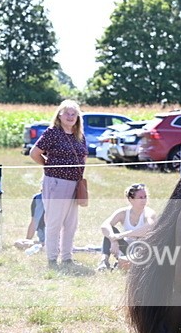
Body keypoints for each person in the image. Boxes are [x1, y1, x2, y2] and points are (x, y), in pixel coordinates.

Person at [30, 99, 87, 269]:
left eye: (74, 113)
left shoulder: (80, 136)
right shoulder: (52, 133)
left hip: (75, 184)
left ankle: (67, 257)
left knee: (71, 223)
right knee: (54, 221)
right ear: (59, 115)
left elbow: (84, 155)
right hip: (56, 182)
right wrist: (49, 166)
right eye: (67, 113)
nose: (70, 116)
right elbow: (34, 153)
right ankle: (52, 258)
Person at [97, 183, 157, 271]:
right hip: (126, 248)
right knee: (111, 230)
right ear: (131, 199)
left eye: (145, 197)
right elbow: (104, 226)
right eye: (140, 197)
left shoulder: (149, 213)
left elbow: (149, 228)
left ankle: (124, 263)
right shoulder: (123, 212)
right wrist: (112, 239)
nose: (144, 200)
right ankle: (104, 262)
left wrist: (122, 235)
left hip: (142, 249)